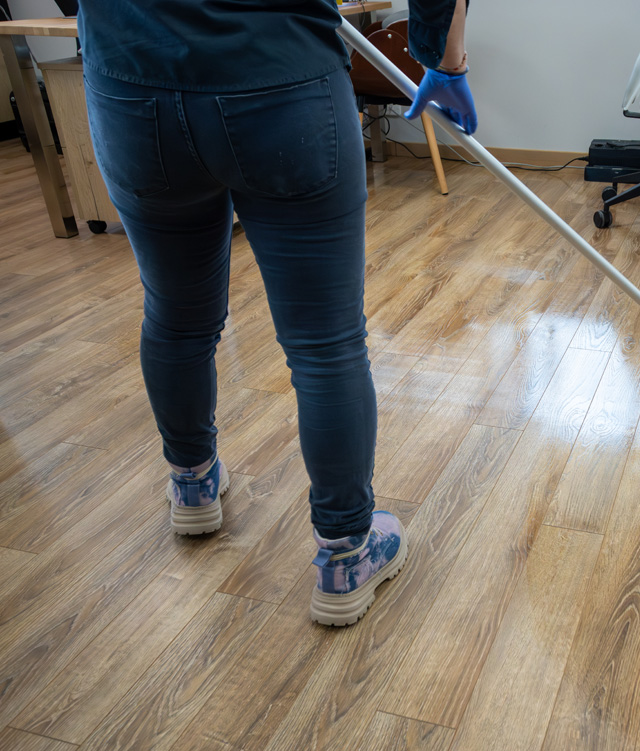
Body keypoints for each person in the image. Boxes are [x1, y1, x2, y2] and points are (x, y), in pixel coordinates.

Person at [76, 0, 477, 627]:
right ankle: (346, 554)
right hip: (280, 80)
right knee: (326, 344)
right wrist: (442, 58)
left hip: (132, 78)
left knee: (176, 314)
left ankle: (192, 484)